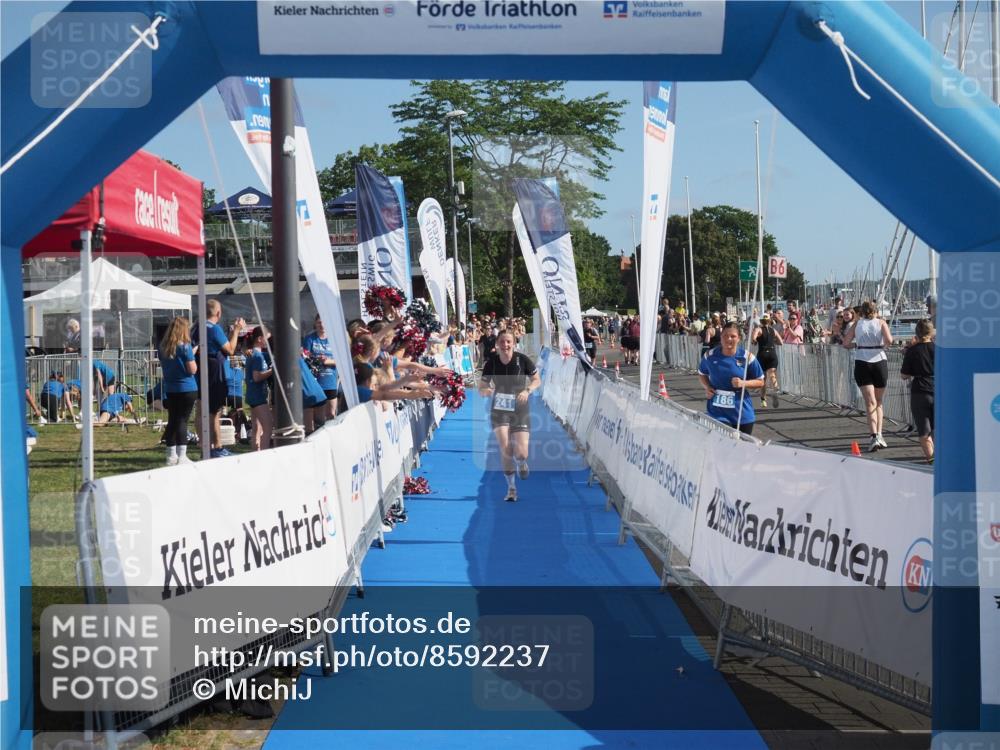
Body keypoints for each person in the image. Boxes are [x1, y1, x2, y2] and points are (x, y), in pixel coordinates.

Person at [478, 330, 540, 502]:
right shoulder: (491, 363)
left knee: (521, 453)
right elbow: (482, 386)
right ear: (497, 344)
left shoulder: (523, 360)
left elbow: (537, 380)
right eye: (502, 342)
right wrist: (487, 391)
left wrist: (527, 391)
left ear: (513, 343)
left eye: (508, 342)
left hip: (520, 408)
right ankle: (511, 488)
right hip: (500, 408)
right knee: (505, 449)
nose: (505, 345)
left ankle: (521, 463)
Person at [196, 299, 245, 458]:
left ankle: (203, 446)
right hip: (214, 371)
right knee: (214, 412)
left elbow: (222, 345)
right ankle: (217, 447)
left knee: (200, 409)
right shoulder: (214, 328)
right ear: (218, 313)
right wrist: (236, 331)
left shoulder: (197, 327)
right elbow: (230, 350)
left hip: (200, 368)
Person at [842, 300, 893, 452]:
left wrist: (857, 345)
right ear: (875, 310)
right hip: (879, 360)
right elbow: (889, 340)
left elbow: (845, 343)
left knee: (870, 402)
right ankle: (880, 435)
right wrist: (881, 346)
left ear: (861, 312)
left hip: (862, 361)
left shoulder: (857, 324)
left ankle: (873, 436)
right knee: (879, 402)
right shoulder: (881, 322)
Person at [698, 322, 765, 434]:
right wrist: (707, 387)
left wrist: (743, 383)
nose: (728, 339)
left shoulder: (747, 357)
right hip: (717, 412)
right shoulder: (710, 356)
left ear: (739, 338)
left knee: (742, 444)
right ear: (721, 337)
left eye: (733, 336)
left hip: (741, 413)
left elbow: (760, 381)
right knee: (723, 441)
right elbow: (701, 373)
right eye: (725, 336)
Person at [158, 317, 198, 465]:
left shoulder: (162, 347)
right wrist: (192, 355)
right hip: (187, 388)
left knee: (172, 420)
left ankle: (171, 455)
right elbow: (192, 369)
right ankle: (182, 456)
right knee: (182, 421)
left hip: (171, 388)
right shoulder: (185, 347)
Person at [900, 319, 935, 464]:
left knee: (924, 429)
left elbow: (904, 375)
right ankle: (943, 458)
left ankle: (932, 460)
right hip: (939, 389)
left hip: (920, 391)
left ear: (917, 333)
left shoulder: (912, 350)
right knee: (939, 428)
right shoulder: (939, 349)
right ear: (931, 332)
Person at [302, 314, 339, 420]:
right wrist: (316, 359)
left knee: (331, 414)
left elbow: (342, 361)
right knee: (317, 416)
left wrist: (328, 361)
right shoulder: (310, 338)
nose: (322, 325)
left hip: (330, 382)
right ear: (315, 323)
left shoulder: (334, 339)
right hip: (315, 382)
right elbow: (304, 358)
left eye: (324, 322)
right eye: (319, 322)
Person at [244, 326, 273, 451]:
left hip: (253, 395)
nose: (268, 341)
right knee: (268, 427)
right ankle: (263, 455)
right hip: (257, 396)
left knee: (257, 428)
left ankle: (255, 453)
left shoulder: (257, 354)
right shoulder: (257, 356)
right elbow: (256, 377)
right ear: (260, 339)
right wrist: (272, 371)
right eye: (267, 338)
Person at [752, 315, 782, 408]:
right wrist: (772, 341)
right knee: (772, 374)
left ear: (761, 321)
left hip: (762, 354)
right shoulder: (774, 330)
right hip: (772, 353)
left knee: (763, 378)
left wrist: (755, 341)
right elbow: (781, 342)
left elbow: (753, 339)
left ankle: (763, 400)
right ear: (769, 321)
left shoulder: (758, 329)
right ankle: (775, 389)